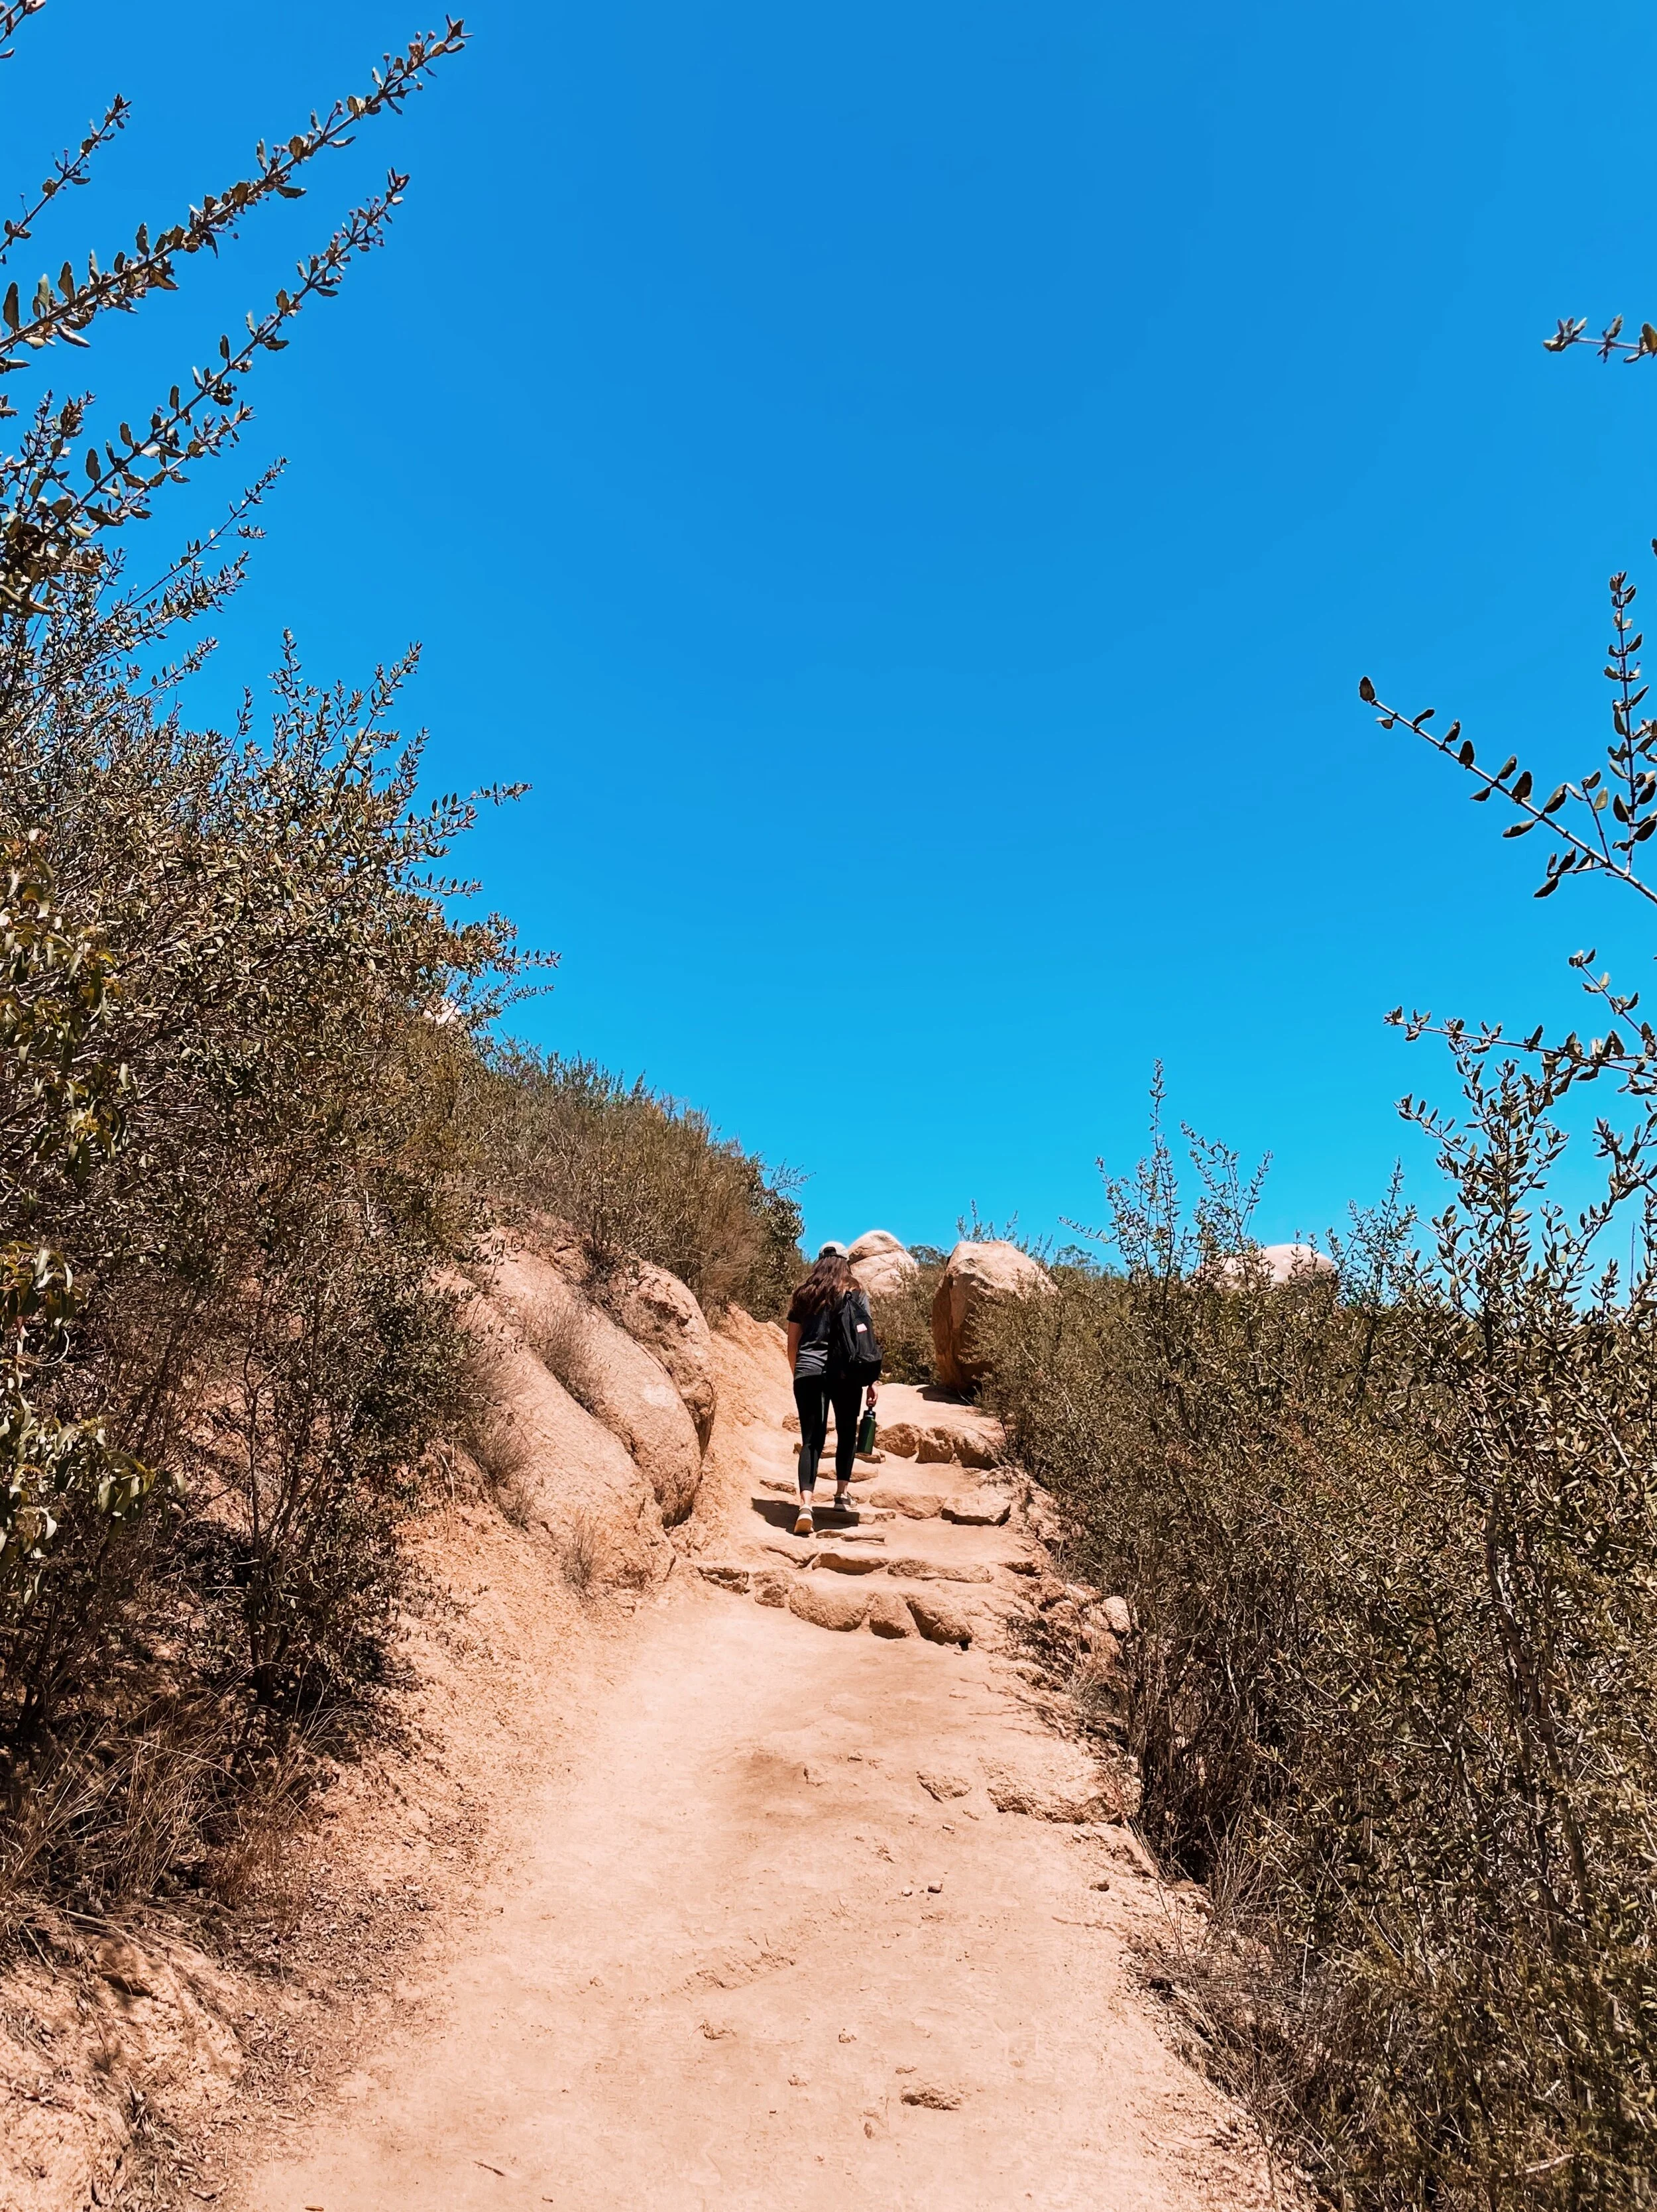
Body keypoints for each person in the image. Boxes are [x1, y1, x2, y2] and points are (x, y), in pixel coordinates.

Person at [785, 1243, 878, 1537]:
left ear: (820, 1262)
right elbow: (866, 1340)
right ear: (846, 1263)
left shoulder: (804, 1294)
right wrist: (872, 1381)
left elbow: (792, 1343)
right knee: (847, 1433)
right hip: (846, 1372)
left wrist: (798, 1372)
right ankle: (841, 1496)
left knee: (811, 1440)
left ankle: (806, 1506)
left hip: (809, 1371)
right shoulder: (856, 1292)